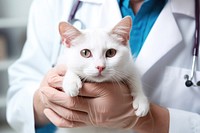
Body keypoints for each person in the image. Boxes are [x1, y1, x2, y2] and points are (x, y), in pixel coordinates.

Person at [6, 0, 200, 133]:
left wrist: (152, 120)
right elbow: (17, 99)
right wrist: (43, 103)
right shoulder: (55, 4)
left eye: (109, 54)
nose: (99, 66)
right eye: (87, 54)